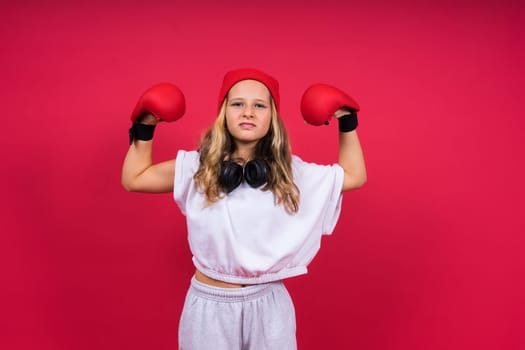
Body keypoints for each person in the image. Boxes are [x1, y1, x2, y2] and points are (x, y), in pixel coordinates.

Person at [121, 68, 366, 349]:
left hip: (268, 303)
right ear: (224, 112)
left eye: (259, 105)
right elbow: (134, 178)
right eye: (238, 103)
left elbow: (354, 175)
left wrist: (347, 121)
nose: (248, 112)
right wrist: (145, 124)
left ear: (271, 117)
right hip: (209, 305)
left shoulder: (291, 173)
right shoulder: (196, 167)